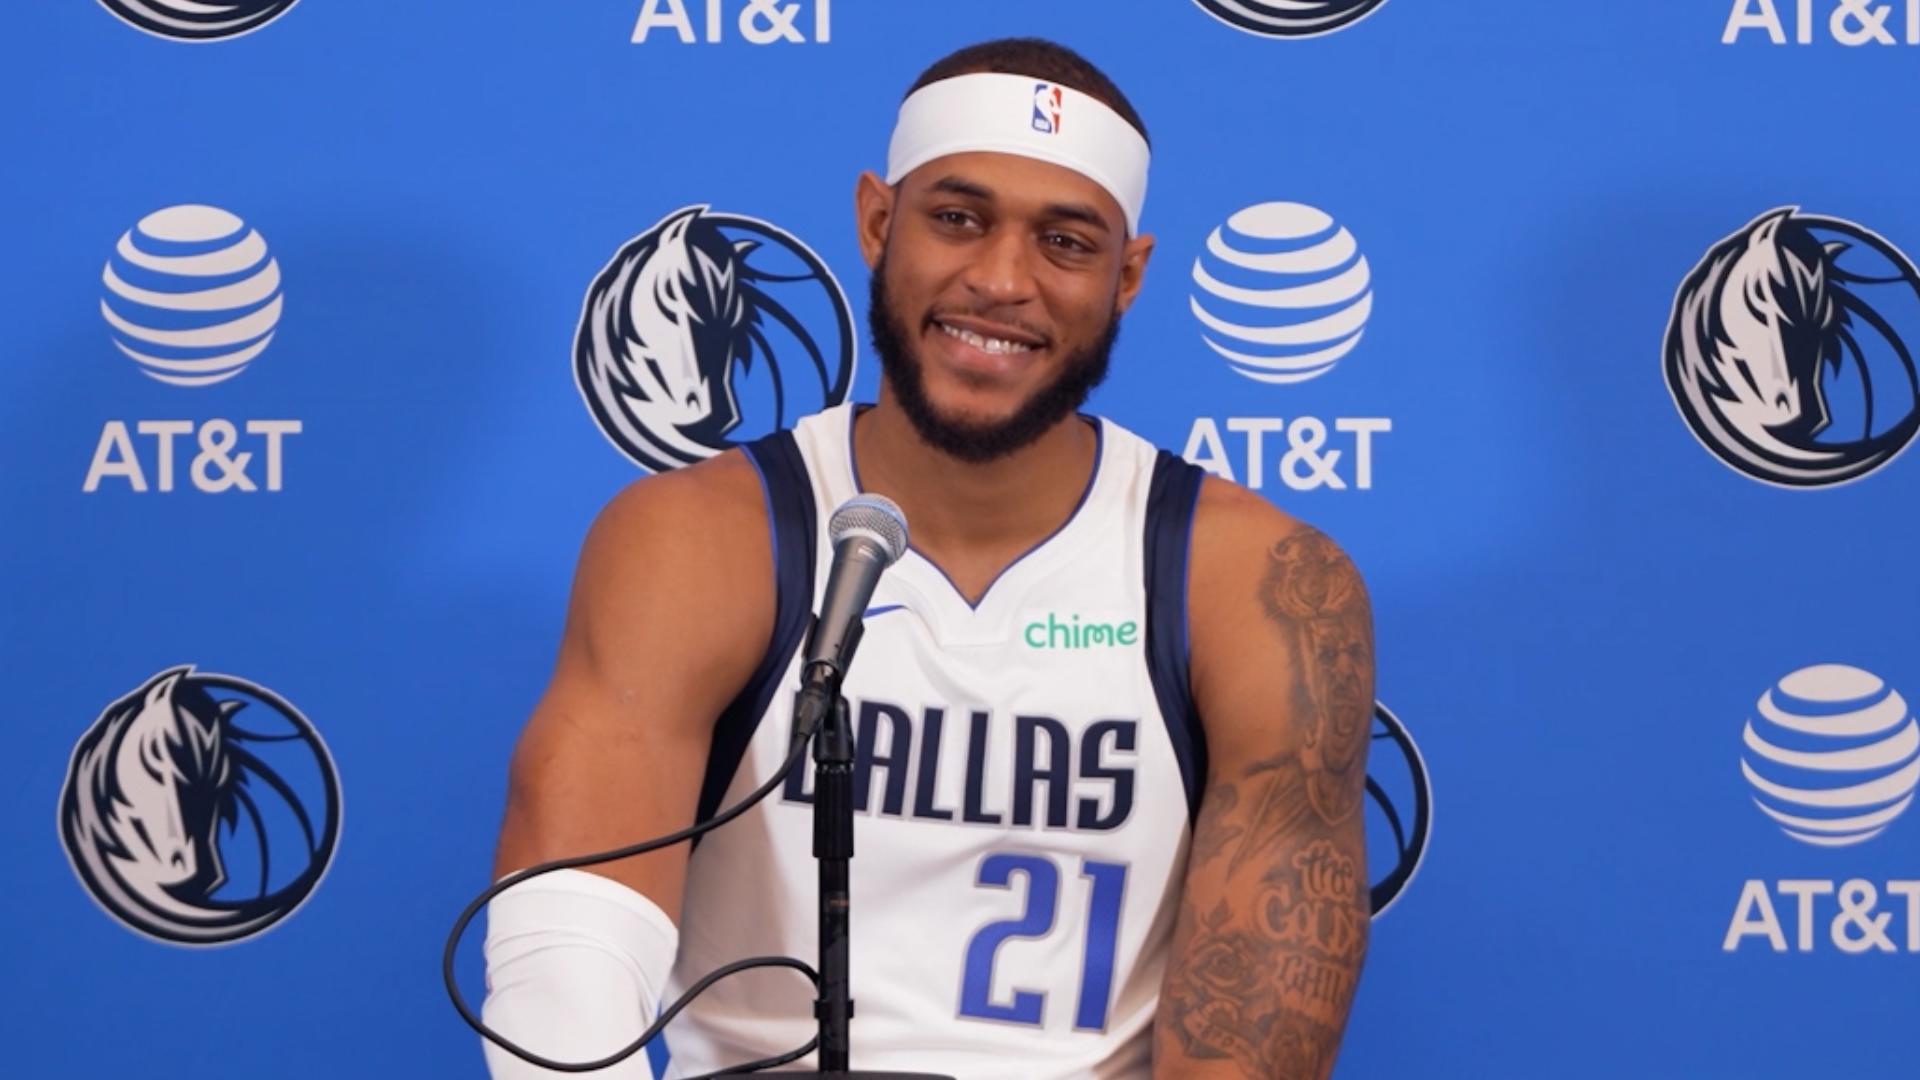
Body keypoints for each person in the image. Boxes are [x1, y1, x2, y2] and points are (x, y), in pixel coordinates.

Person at [482, 36, 1374, 1080]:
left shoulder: (1250, 582)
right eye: (957, 218)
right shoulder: (700, 538)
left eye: (1066, 242)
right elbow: (568, 962)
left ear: (1128, 276)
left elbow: (1249, 1044)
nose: (1001, 279)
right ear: (875, 222)